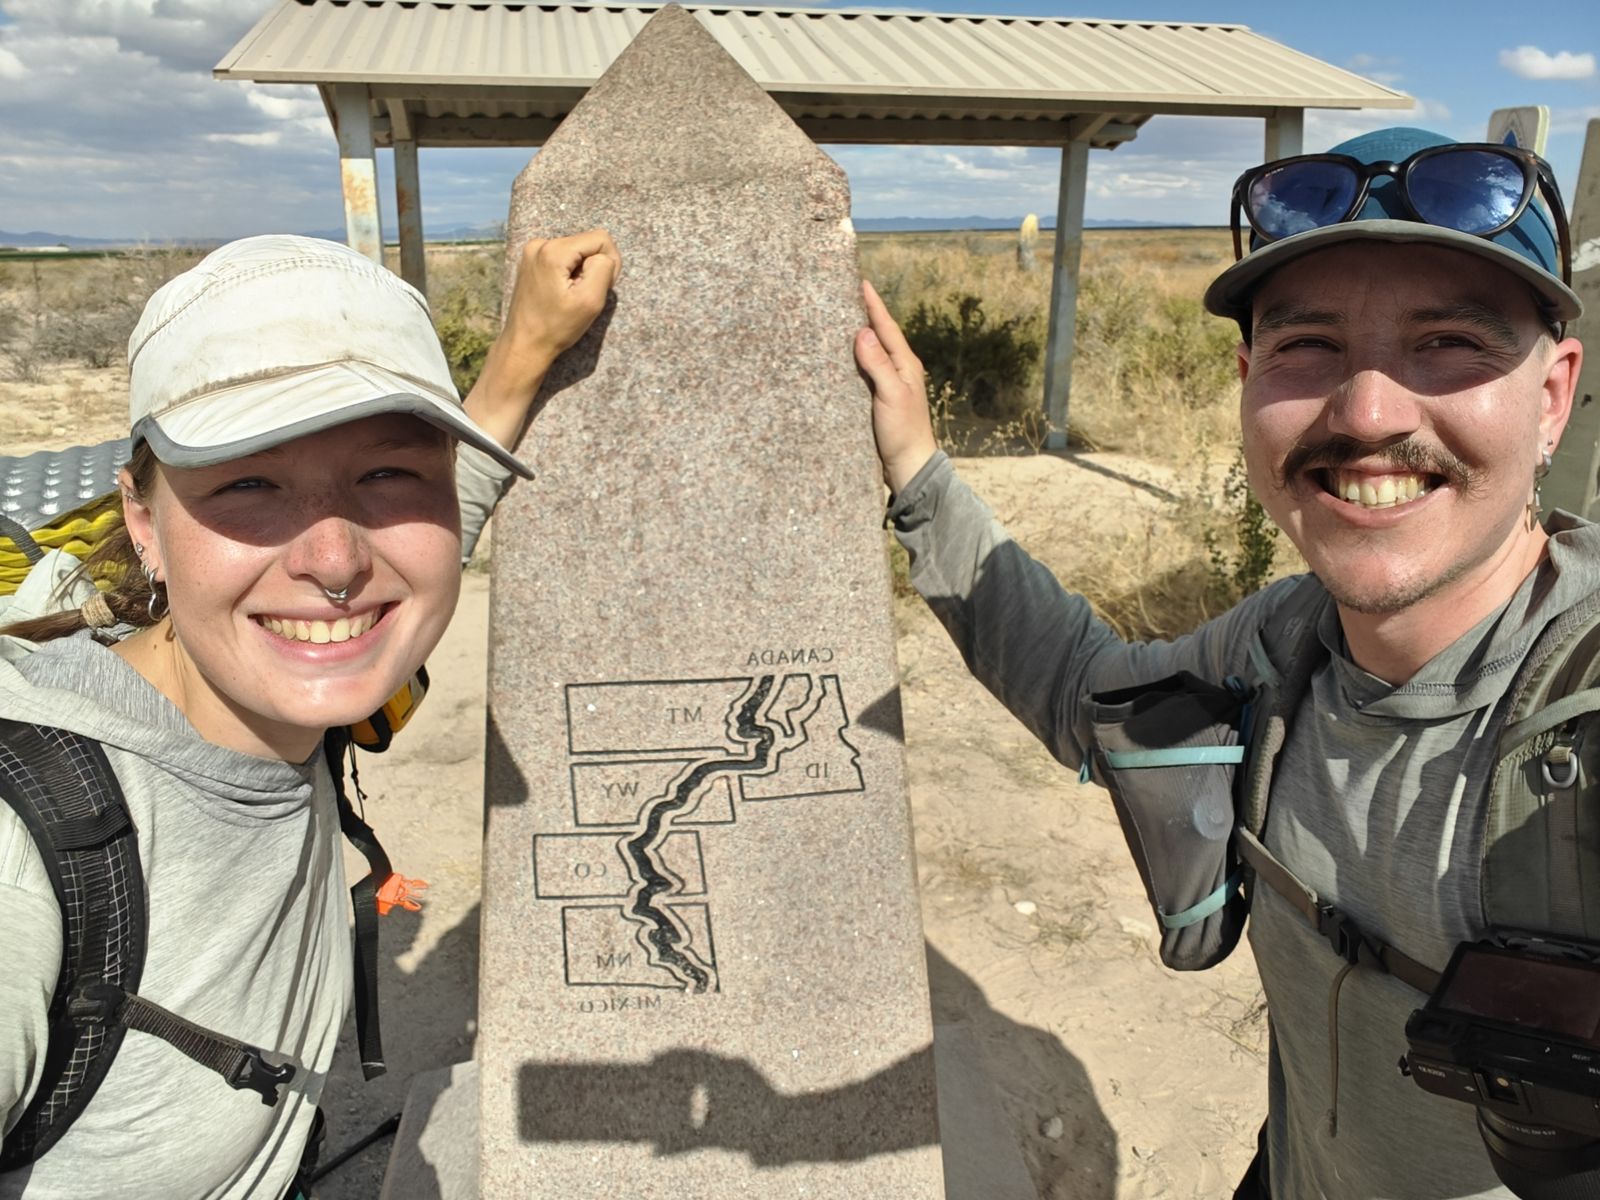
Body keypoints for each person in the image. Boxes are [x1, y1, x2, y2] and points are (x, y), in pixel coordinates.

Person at [854, 126, 1586, 1198]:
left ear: (1553, 396)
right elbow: (1084, 691)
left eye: (1447, 343)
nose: (1367, 411)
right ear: (1247, 382)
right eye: (1308, 346)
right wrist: (919, 468)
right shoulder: (1284, 644)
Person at [0, 228, 620, 1198]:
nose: (337, 564)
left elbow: (422, 548)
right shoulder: (26, 848)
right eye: (249, 483)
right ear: (142, 519)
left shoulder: (262, 679)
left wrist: (524, 349)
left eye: (387, 475)